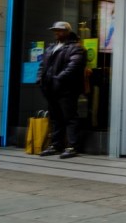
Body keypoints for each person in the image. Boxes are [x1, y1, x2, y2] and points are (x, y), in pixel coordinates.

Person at [36, 20, 86, 159]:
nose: (56, 33)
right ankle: (56, 145)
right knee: (56, 118)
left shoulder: (76, 48)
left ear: (67, 32)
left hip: (66, 89)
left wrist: (58, 79)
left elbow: (74, 66)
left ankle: (72, 147)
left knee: (70, 118)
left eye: (59, 30)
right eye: (55, 31)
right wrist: (40, 78)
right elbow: (42, 65)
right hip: (50, 89)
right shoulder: (51, 47)